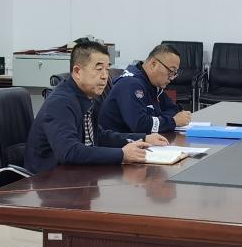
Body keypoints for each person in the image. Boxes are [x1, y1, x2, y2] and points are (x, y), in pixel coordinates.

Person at [25, 39, 169, 174]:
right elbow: (69, 151)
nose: (105, 76)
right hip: (48, 179)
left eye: (107, 69)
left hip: (77, 174)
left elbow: (98, 136)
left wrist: (143, 138)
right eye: (99, 69)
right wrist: (121, 154)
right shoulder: (61, 102)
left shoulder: (87, 96)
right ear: (77, 72)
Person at [99, 44, 192, 135]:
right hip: (120, 143)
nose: (172, 78)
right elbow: (140, 125)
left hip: (143, 141)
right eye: (171, 71)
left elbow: (174, 109)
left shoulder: (153, 84)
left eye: (175, 73)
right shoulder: (130, 84)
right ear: (153, 64)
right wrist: (173, 121)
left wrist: (158, 119)